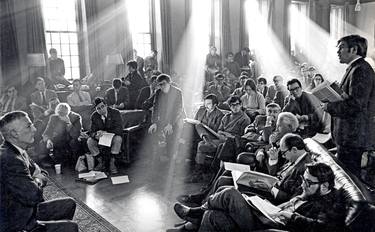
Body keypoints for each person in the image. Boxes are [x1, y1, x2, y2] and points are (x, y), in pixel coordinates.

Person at [176, 162, 346, 232]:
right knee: (213, 216)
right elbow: (286, 199)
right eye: (303, 180)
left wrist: (291, 216)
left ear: (324, 186)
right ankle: (196, 219)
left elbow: (323, 228)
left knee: (230, 193)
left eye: (308, 182)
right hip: (266, 214)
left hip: (269, 226)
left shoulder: (330, 203)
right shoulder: (308, 191)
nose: (303, 185)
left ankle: (195, 213)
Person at [0, 111, 78, 232]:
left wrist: (36, 177)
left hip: (25, 210)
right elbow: (34, 195)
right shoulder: (9, 159)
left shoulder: (17, 149)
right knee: (71, 228)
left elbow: (42, 172)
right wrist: (37, 178)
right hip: (17, 223)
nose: (35, 129)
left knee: (69, 203)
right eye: (29, 125)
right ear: (14, 133)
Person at [322, 35, 375, 178]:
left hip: (353, 137)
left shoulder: (361, 70)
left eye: (341, 48)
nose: (338, 52)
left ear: (354, 49)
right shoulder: (354, 68)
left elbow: (356, 105)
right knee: (346, 176)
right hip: (348, 136)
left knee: (350, 179)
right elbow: (350, 99)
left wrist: (330, 107)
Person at [147, 74, 185, 156]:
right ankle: (156, 157)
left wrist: (170, 124)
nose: (161, 86)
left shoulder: (177, 92)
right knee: (152, 131)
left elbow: (178, 110)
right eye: (159, 84)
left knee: (171, 134)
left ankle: (171, 156)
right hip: (163, 119)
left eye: (163, 84)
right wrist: (154, 122)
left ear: (169, 83)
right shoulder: (158, 92)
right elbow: (155, 108)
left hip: (176, 119)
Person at [87, 98, 123, 174]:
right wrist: (95, 135)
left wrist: (106, 132)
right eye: (98, 108)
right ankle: (100, 162)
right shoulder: (94, 116)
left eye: (102, 106)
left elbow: (119, 129)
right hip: (101, 138)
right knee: (90, 141)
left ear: (106, 105)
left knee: (118, 139)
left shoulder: (115, 113)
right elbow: (91, 131)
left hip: (113, 136)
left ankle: (112, 163)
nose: (101, 110)